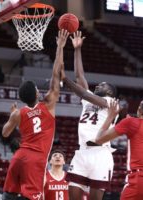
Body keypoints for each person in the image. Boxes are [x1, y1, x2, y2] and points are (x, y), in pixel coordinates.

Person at [1, 29, 69, 200]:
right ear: (37, 94)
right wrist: (60, 47)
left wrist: (12, 118)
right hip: (36, 160)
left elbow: (5, 133)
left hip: (20, 156)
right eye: (38, 89)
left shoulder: (18, 113)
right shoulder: (48, 104)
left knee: (8, 194)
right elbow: (55, 75)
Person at [61, 31, 118, 200]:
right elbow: (80, 76)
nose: (99, 85)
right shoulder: (90, 101)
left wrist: (64, 79)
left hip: (100, 154)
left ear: (111, 93)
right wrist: (77, 50)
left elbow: (85, 94)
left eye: (104, 85)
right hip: (82, 152)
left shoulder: (110, 103)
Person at [86, 92, 143, 200]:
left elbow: (99, 139)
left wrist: (111, 116)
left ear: (141, 109)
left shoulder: (131, 122)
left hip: (141, 179)